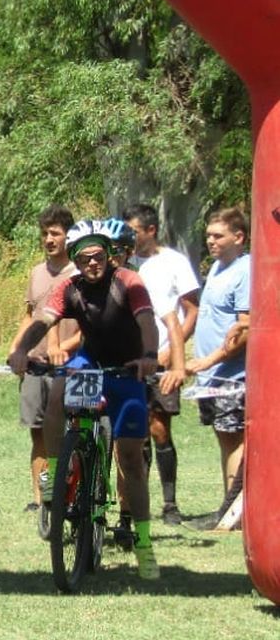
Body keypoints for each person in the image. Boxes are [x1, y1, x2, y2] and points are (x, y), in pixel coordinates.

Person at [8, 220, 163, 580]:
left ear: (109, 255)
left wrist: (150, 354)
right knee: (59, 389)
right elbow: (42, 320)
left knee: (130, 458)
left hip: (128, 368)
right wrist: (22, 349)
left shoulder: (129, 282)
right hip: (91, 362)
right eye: (83, 258)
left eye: (98, 256)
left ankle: (142, 541)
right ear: (75, 260)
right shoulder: (70, 287)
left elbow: (147, 321)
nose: (92, 264)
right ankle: (56, 469)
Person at [122, 203, 200, 524]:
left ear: (151, 231)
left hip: (164, 358)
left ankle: (170, 504)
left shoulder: (173, 262)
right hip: (130, 360)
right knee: (132, 433)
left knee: (159, 429)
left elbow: (191, 310)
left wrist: (172, 350)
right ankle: (136, 505)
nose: (130, 238)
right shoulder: (123, 262)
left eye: (135, 232)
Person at [6, 205, 80, 512]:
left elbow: (90, 326)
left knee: (74, 434)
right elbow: (29, 316)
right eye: (45, 233)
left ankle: (73, 497)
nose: (49, 239)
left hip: (71, 367)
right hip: (35, 364)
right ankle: (42, 499)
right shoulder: (36, 272)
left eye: (55, 233)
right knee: (38, 433)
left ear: (68, 236)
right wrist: (15, 348)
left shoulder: (80, 272)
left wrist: (66, 346)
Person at [183, 206, 250, 530]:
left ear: (239, 237)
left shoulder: (245, 270)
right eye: (208, 235)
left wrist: (209, 361)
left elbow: (246, 329)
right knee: (224, 440)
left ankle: (232, 514)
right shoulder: (217, 269)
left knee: (235, 439)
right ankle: (230, 510)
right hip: (210, 377)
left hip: (232, 377)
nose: (210, 241)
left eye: (218, 235)